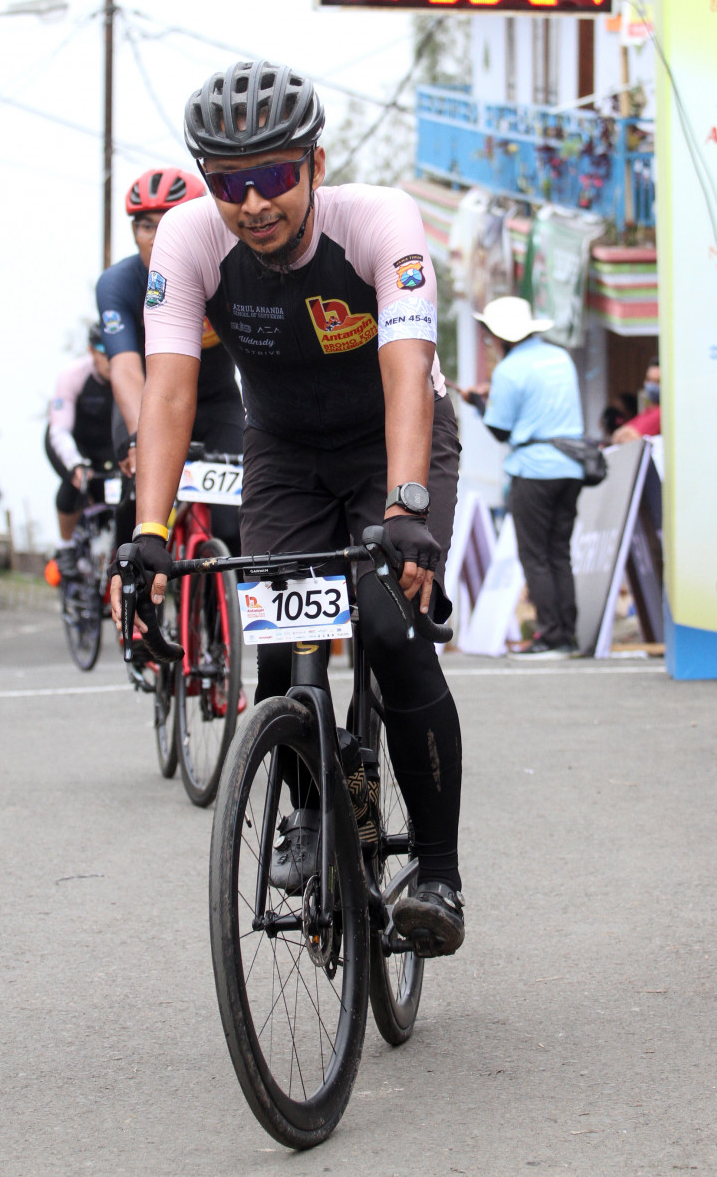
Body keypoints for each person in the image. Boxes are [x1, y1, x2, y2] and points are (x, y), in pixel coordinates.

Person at [112, 59, 465, 957]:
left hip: (395, 441)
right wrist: (149, 531)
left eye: (274, 175)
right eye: (231, 183)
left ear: (315, 164)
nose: (254, 203)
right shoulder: (190, 238)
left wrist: (407, 507)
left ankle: (437, 874)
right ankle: (309, 812)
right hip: (284, 453)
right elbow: (168, 392)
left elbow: (408, 368)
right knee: (283, 641)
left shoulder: (378, 220)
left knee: (389, 629)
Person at [96, 168, 245, 551]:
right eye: (145, 225)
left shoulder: (229, 269)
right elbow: (125, 368)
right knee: (137, 510)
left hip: (218, 404)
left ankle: (219, 588)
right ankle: (128, 578)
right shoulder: (117, 284)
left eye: (169, 223)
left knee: (234, 525)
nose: (156, 236)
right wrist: (138, 437)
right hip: (149, 403)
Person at [462, 295, 585, 659]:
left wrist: (478, 403)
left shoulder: (509, 370)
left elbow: (500, 429)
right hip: (571, 466)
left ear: (501, 336)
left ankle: (550, 635)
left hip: (533, 470)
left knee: (535, 556)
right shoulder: (559, 357)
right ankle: (567, 635)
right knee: (559, 553)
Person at [45, 322, 115, 578]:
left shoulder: (130, 371)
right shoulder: (73, 374)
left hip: (107, 447)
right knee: (75, 482)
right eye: (103, 351)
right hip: (72, 442)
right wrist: (75, 463)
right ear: (91, 351)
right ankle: (65, 546)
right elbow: (59, 430)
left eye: (116, 349)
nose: (110, 358)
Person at [611, 358, 660, 443]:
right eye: (649, 380)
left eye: (657, 381)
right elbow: (617, 436)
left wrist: (626, 434)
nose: (651, 385)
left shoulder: (663, 413)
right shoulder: (648, 411)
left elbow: (633, 439)